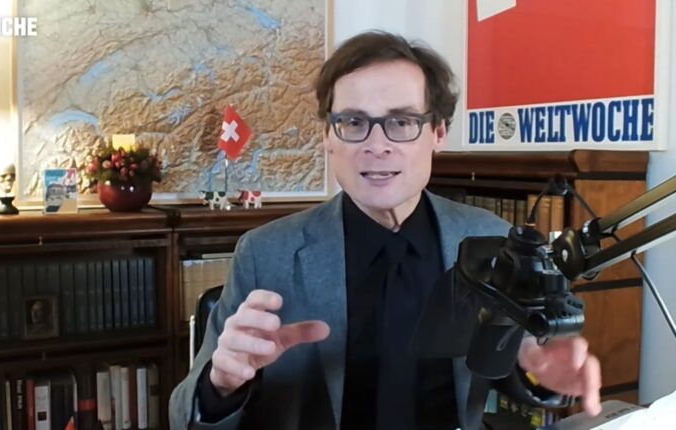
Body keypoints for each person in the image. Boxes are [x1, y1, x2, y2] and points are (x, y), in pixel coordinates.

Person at [170, 31, 602, 430]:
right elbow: (183, 413)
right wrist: (221, 385)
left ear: (438, 132)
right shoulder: (266, 254)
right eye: (354, 123)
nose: (377, 146)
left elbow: (517, 366)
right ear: (328, 136)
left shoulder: (491, 240)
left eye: (401, 122)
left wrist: (544, 373)